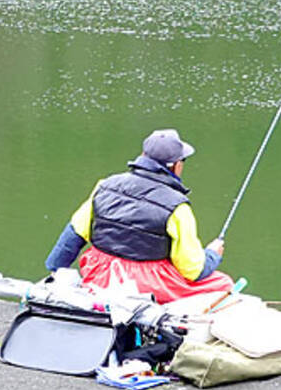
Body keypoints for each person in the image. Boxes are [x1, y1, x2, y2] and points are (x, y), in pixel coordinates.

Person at [44, 128, 233, 303]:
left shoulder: (105, 185)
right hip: (144, 283)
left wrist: (54, 272)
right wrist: (212, 255)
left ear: (143, 156)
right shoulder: (178, 207)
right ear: (176, 166)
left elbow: (73, 235)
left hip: (99, 274)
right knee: (223, 283)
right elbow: (191, 269)